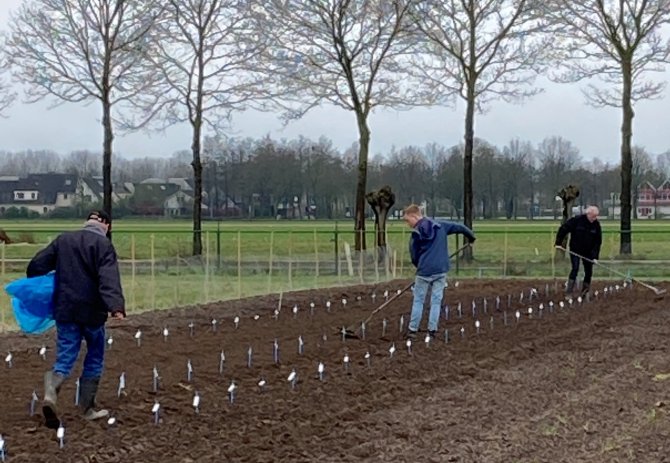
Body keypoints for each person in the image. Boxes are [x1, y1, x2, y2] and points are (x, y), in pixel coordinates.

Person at [26, 210, 125, 429]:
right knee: (94, 356)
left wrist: (39, 281)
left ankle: (51, 392)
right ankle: (87, 409)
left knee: (65, 356)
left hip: (66, 310)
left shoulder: (64, 240)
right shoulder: (103, 246)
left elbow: (36, 265)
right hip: (92, 313)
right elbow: (108, 278)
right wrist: (116, 307)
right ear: (106, 226)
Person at [403, 204, 476, 339]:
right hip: (440, 270)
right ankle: (432, 330)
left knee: (418, 300)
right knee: (436, 301)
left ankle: (412, 330)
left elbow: (414, 255)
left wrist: (419, 266)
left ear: (414, 216)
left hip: (424, 271)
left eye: (408, 220)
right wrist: (471, 237)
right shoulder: (441, 225)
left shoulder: (416, 234)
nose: (408, 224)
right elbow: (460, 227)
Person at [555, 205, 602, 297]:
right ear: (588, 214)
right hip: (575, 250)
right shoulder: (577, 221)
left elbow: (598, 242)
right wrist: (558, 243)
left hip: (588, 252)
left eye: (596, 216)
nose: (595, 218)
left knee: (588, 271)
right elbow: (563, 229)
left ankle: (585, 292)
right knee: (575, 268)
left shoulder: (596, 225)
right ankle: (569, 292)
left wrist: (595, 257)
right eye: (593, 216)